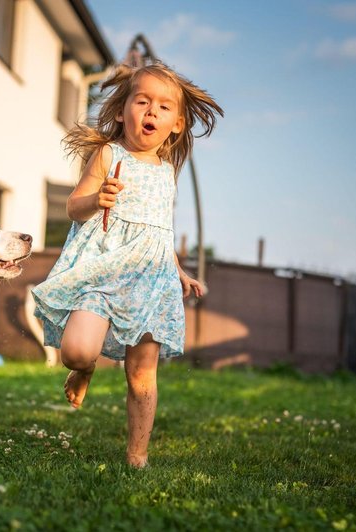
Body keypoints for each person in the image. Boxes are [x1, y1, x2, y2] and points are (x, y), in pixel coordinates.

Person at [32, 62, 224, 468]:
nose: (151, 111)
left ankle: (137, 455)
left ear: (176, 123)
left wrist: (179, 269)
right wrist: (96, 198)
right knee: (77, 350)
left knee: (141, 376)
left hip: (151, 280)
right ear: (122, 111)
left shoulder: (168, 171)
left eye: (163, 106)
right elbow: (72, 207)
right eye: (142, 101)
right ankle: (83, 371)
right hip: (102, 270)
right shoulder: (108, 154)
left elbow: (159, 231)